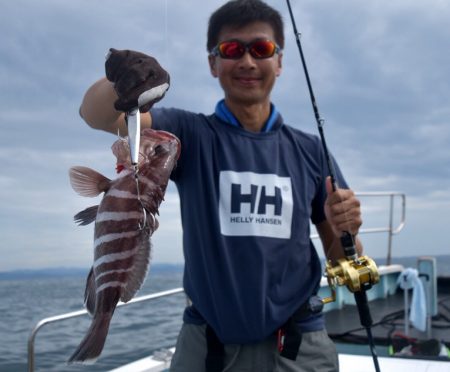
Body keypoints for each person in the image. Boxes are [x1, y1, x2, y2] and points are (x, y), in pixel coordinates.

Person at [79, 1, 363, 371]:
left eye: (260, 49)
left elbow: (342, 258)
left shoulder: (310, 150)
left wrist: (348, 232)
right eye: (232, 49)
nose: (247, 61)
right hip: (207, 344)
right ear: (213, 63)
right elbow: (98, 116)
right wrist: (121, 76)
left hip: (299, 344)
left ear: (279, 61)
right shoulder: (189, 134)